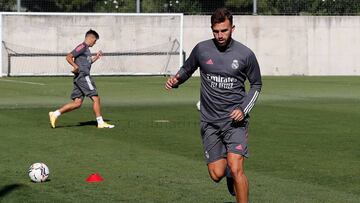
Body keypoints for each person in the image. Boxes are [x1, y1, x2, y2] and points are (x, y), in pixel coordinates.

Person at [165, 8, 262, 203]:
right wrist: (176, 80)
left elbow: (256, 84)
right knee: (216, 174)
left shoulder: (245, 54)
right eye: (216, 31)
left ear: (232, 28)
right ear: (212, 29)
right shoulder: (202, 49)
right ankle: (227, 175)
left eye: (224, 31)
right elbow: (187, 68)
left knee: (237, 168)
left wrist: (243, 109)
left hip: (235, 122)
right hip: (209, 122)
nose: (220, 35)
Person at [49, 29, 114, 129]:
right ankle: (100, 122)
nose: (95, 42)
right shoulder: (82, 46)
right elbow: (69, 57)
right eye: (95, 40)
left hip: (79, 78)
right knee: (96, 98)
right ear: (90, 38)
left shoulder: (86, 50)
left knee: (77, 103)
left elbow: (87, 63)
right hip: (83, 76)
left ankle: (55, 114)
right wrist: (75, 66)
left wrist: (96, 57)